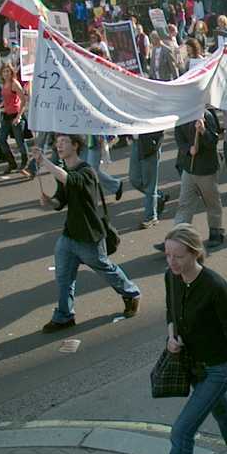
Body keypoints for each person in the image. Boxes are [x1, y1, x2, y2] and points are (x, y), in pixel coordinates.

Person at [163, 224, 227, 454]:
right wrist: (171, 338)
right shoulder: (171, 277)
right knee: (226, 416)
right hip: (194, 366)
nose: (171, 262)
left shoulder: (215, 286)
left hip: (218, 369)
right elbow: (171, 312)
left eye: (178, 256)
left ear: (195, 253)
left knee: (181, 432)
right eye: (167, 255)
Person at [33, 134, 141, 332]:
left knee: (105, 268)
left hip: (89, 236)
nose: (59, 146)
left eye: (63, 142)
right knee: (64, 277)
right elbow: (60, 201)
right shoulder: (65, 170)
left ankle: (131, 293)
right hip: (69, 235)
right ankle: (64, 316)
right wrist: (50, 202)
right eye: (57, 143)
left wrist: (43, 161)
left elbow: (69, 180)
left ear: (75, 145)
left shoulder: (86, 172)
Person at [171, 111, 225, 249]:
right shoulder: (182, 116)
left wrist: (203, 130)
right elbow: (179, 139)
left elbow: (213, 141)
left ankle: (216, 232)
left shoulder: (205, 115)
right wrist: (189, 150)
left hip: (206, 169)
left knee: (211, 202)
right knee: (184, 203)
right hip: (189, 168)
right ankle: (178, 237)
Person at [0, 63, 30, 174]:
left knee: (19, 141)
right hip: (6, 115)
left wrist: (19, 117)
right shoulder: (4, 84)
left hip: (15, 115)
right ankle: (12, 163)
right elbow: (6, 99)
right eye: (4, 71)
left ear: (11, 72)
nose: (6, 74)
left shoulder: (15, 84)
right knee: (1, 139)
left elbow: (23, 101)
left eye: (8, 71)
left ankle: (25, 162)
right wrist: (0, 106)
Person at [129, 131, 167, 228]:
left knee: (149, 184)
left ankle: (151, 217)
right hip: (136, 142)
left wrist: (155, 141)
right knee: (134, 180)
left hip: (149, 143)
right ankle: (158, 196)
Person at [84, 136, 123, 200]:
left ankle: (115, 185)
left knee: (91, 170)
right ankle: (115, 185)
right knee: (83, 169)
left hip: (93, 137)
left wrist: (102, 135)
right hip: (77, 135)